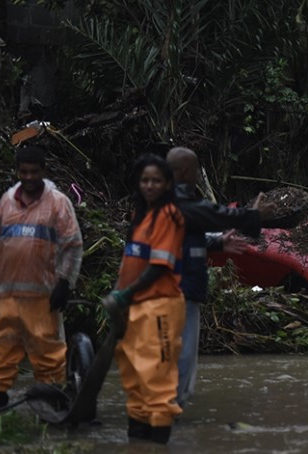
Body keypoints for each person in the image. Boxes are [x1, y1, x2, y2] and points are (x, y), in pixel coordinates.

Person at [0, 144, 83, 409]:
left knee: (48, 352)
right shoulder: (7, 201)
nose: (28, 177)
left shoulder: (59, 204)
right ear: (17, 171)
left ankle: (52, 405)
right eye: (23, 172)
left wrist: (65, 282)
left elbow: (73, 245)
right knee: (0, 348)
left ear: (43, 170)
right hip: (5, 292)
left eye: (34, 172)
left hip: (43, 295)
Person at [165, 146, 271, 409]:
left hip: (168, 287)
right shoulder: (179, 202)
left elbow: (186, 235)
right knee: (183, 351)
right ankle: (168, 408)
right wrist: (252, 215)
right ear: (187, 171)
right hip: (180, 287)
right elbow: (212, 214)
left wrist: (216, 243)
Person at [106, 153, 186, 444]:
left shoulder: (169, 215)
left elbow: (159, 266)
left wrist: (125, 293)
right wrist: (118, 292)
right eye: (145, 180)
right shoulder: (142, 217)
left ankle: (157, 444)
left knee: (158, 378)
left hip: (160, 304)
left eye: (156, 181)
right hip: (135, 305)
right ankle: (137, 443)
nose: (149, 186)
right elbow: (131, 263)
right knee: (133, 372)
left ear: (167, 184)